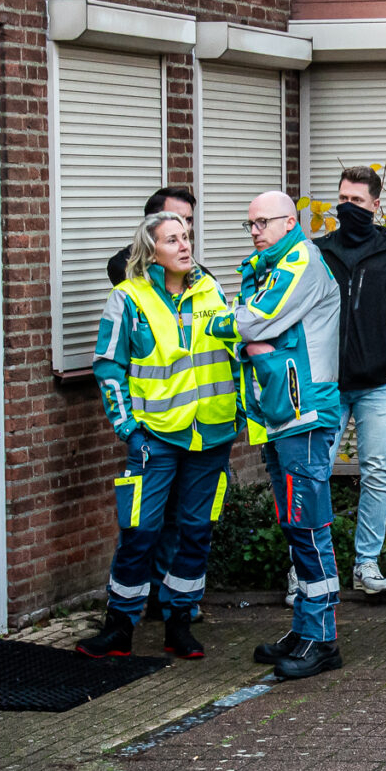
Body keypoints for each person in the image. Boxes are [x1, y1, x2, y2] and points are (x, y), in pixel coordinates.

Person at [79, 211, 238, 660]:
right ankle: (119, 627)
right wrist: (128, 428)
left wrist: (241, 413)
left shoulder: (211, 291)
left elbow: (235, 355)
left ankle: (179, 624)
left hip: (212, 433)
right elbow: (108, 367)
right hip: (156, 437)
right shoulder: (127, 299)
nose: (185, 245)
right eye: (173, 240)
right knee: (140, 531)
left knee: (195, 532)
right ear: (151, 253)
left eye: (186, 237)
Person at [217, 189, 344, 680]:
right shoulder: (267, 266)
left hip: (303, 413)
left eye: (263, 222)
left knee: (309, 526)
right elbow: (250, 331)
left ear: (290, 221)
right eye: (250, 224)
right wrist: (252, 339)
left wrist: (246, 335)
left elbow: (252, 321)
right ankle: (304, 628)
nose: (255, 231)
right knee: (294, 526)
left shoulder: (299, 261)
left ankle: (322, 639)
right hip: (278, 414)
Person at [316, 165, 386, 598]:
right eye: (343, 199)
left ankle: (366, 563)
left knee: (376, 473)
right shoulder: (317, 253)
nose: (348, 207)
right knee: (315, 472)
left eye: (357, 201)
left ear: (375, 204)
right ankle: (309, 566)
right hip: (326, 385)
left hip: (378, 386)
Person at [106, 187, 196, 288]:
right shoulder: (122, 266)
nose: (184, 226)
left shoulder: (201, 275)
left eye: (188, 220)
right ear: (153, 220)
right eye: (175, 218)